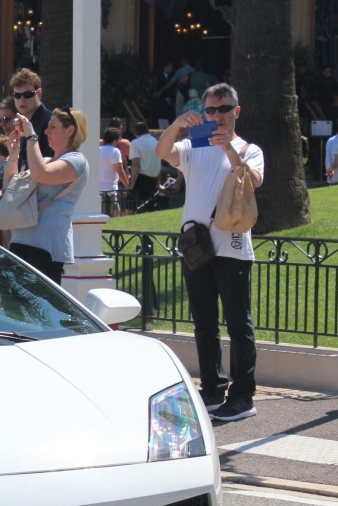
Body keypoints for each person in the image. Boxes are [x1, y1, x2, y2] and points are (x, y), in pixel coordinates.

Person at [156, 83, 264, 422]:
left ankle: (243, 395)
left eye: (224, 109)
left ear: (237, 111)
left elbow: (254, 179)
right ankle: (213, 389)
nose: (217, 116)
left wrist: (230, 149)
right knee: (204, 323)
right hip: (197, 247)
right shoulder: (192, 146)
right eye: (211, 110)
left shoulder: (248, 148)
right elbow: (162, 152)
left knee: (238, 324)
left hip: (231, 246)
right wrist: (177, 126)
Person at [0, 107, 89, 286]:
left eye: (52, 127)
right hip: (21, 240)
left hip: (46, 245)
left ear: (70, 131)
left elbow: (42, 174)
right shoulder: (45, 160)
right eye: (46, 127)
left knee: (41, 307)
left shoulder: (76, 160)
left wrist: (31, 136)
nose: (46, 131)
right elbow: (11, 188)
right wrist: (13, 155)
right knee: (16, 304)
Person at [9, 67, 53, 171]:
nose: (22, 100)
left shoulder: (50, 122)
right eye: (17, 95)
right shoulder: (22, 123)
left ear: (39, 93)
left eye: (28, 94)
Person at [128, 121, 162, 208]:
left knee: (132, 206)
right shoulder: (156, 142)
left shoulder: (135, 143)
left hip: (141, 179)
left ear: (135, 133)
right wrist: (158, 183)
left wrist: (131, 186)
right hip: (154, 179)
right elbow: (158, 163)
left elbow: (135, 165)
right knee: (150, 207)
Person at [99, 127, 130, 215]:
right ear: (116, 140)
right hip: (110, 189)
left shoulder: (98, 150)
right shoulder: (115, 151)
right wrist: (128, 186)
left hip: (98, 189)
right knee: (114, 214)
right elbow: (120, 172)